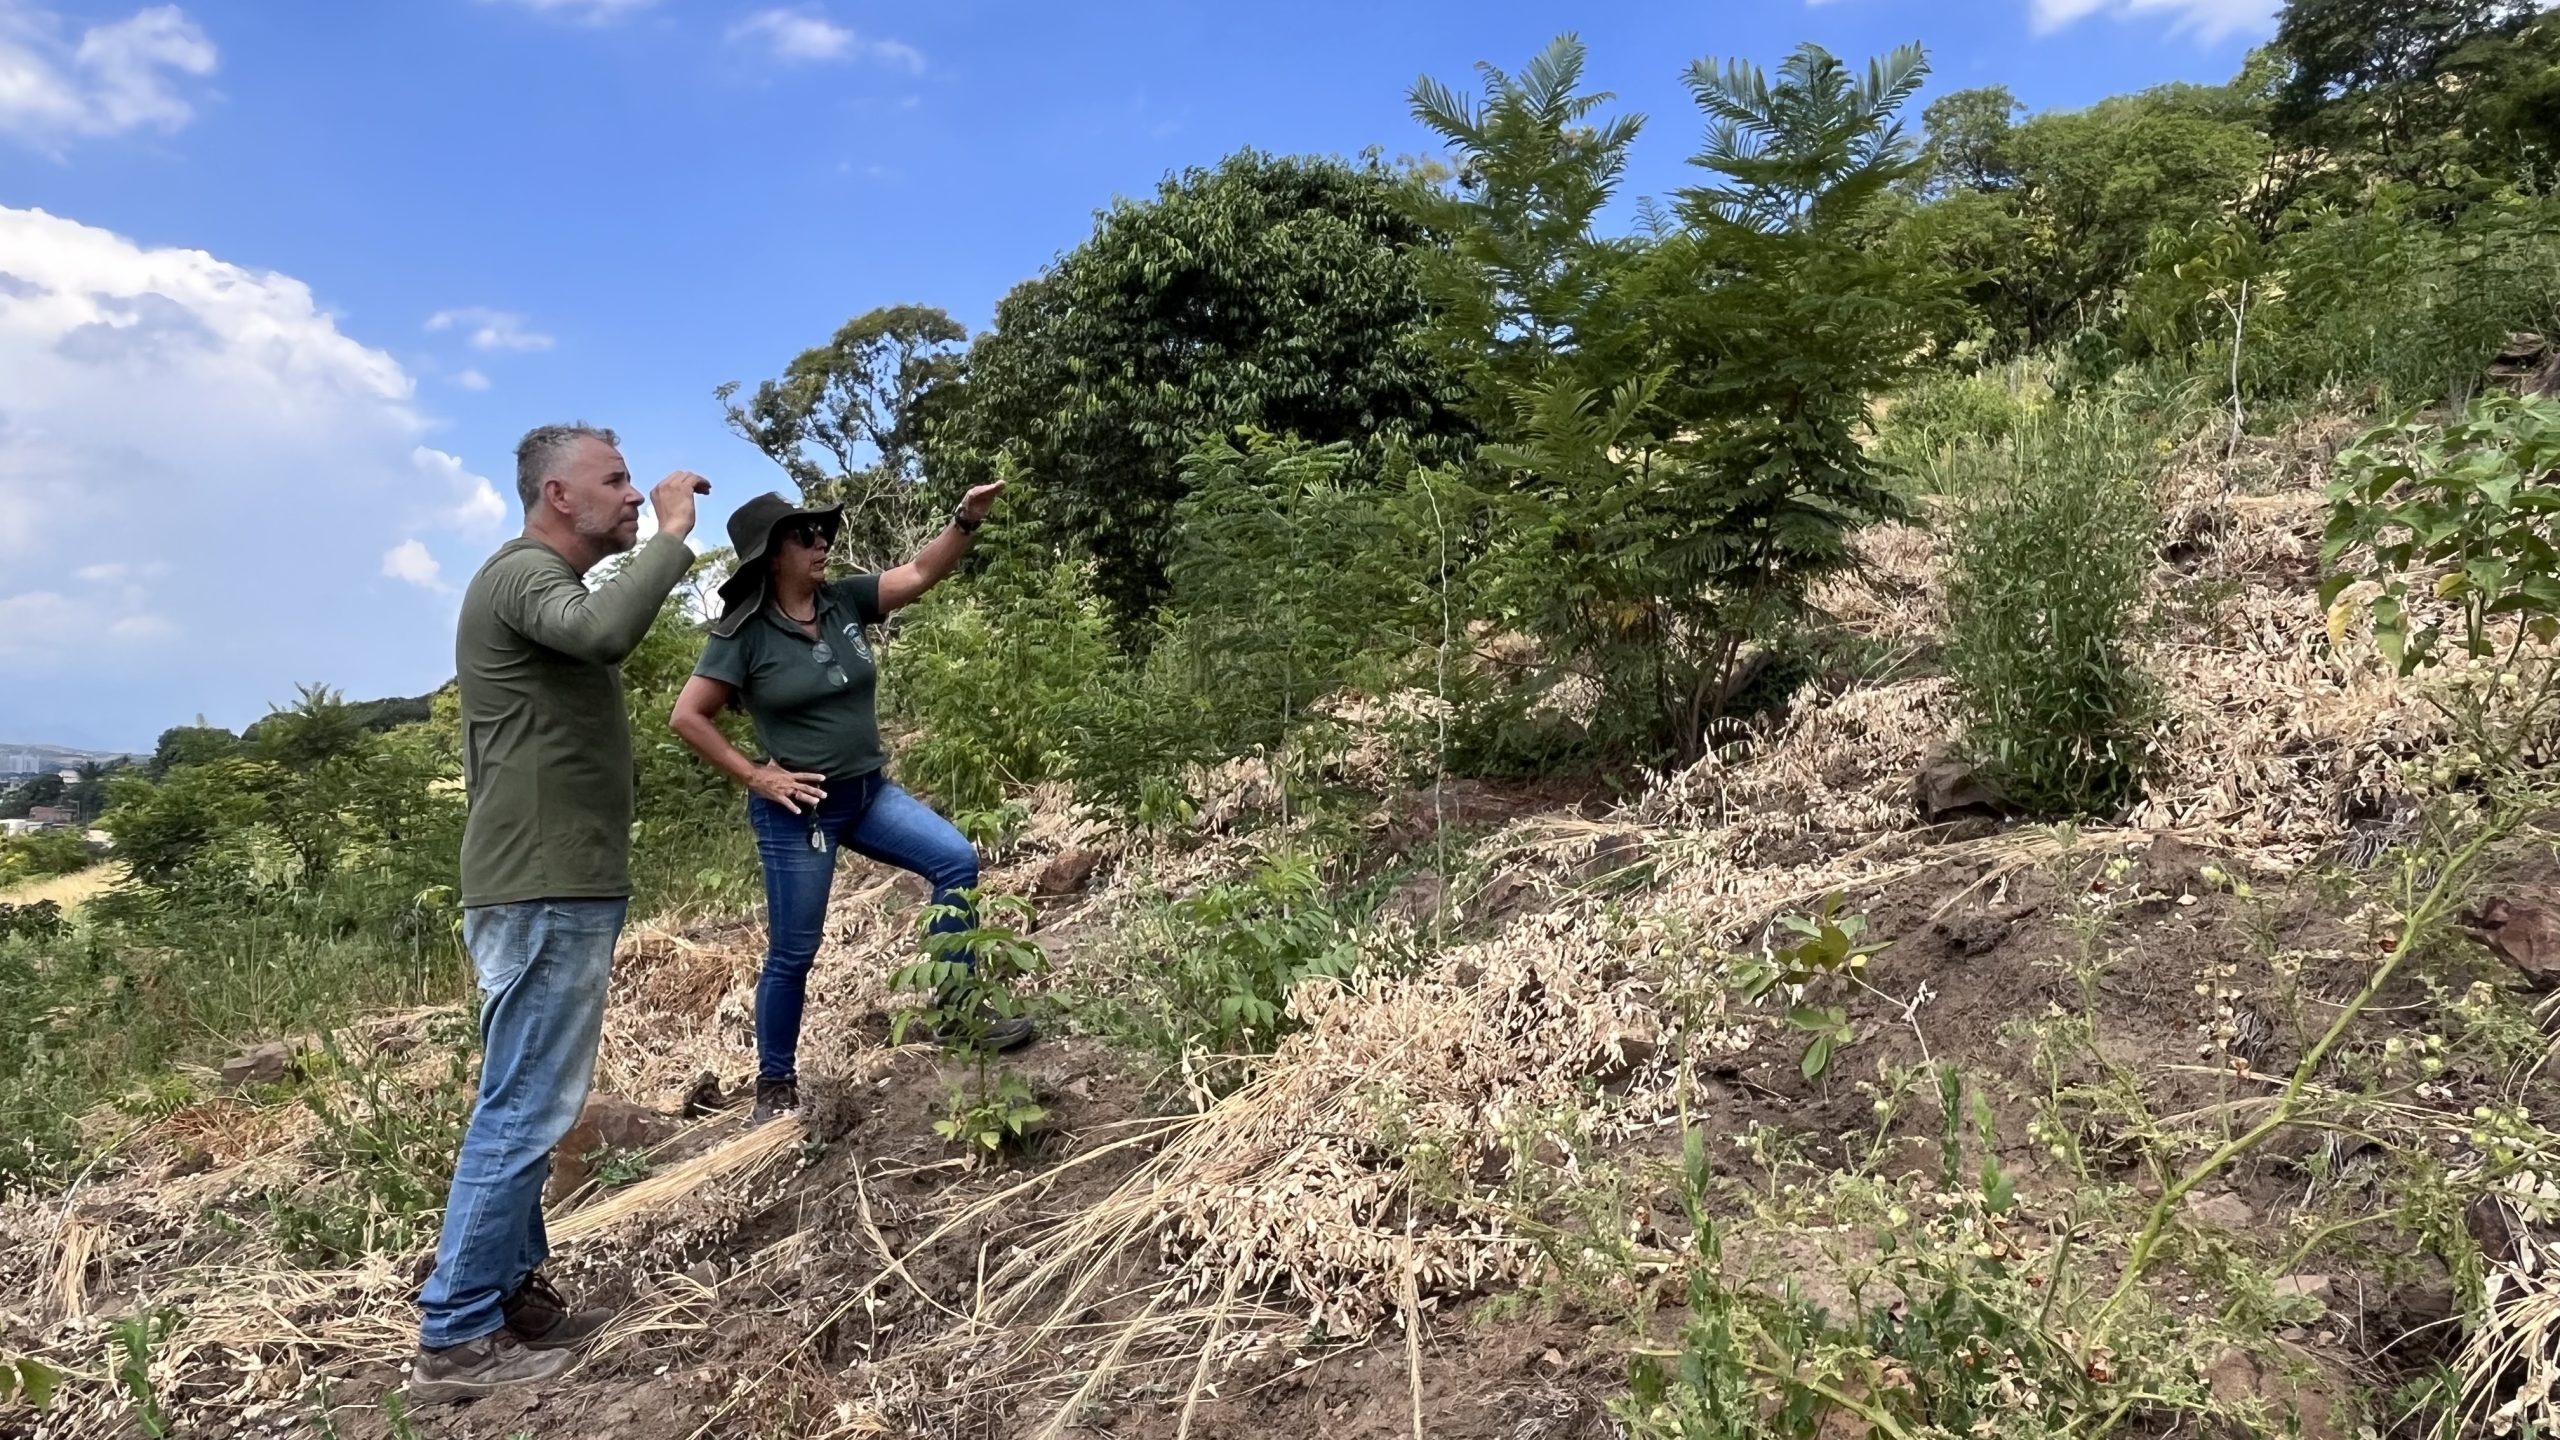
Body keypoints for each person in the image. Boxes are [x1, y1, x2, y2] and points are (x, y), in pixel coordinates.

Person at [409, 424, 710, 1405]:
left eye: (634, 483)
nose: (632, 495)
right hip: (539, 885)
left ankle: (507, 1295)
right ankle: (457, 1334)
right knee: (526, 1104)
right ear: (556, 498)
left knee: (529, 1099)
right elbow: (602, 632)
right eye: (614, 482)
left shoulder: (542, 584)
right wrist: (672, 537)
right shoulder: (521, 578)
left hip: (556, 881)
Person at [669, 483, 1029, 1126]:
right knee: (794, 951)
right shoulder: (744, 634)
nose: (821, 542)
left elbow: (918, 572)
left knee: (955, 862)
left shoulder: (842, 601)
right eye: (804, 536)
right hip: (799, 814)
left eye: (822, 532)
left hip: (867, 793)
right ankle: (774, 1085)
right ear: (772, 555)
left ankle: (955, 1012)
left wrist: (965, 521)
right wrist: (756, 776)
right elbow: (688, 716)